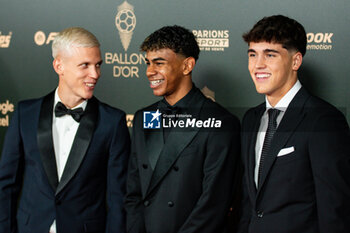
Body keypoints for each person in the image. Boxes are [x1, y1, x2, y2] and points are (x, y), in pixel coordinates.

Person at [0, 27, 130, 233]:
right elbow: (6, 186)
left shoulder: (112, 122)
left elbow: (118, 199)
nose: (95, 74)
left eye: (98, 65)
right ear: (59, 65)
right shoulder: (26, 114)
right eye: (85, 65)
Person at [238, 15, 350, 233]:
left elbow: (335, 208)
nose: (258, 65)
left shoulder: (323, 120)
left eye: (270, 55)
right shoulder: (251, 118)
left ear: (296, 61)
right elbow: (248, 200)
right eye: (253, 55)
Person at [125, 25, 241, 233]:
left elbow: (213, 203)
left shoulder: (220, 122)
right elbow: (134, 191)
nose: (150, 71)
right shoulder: (145, 117)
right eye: (148, 63)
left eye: (159, 63)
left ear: (187, 66)